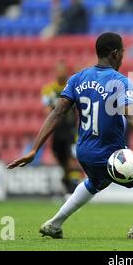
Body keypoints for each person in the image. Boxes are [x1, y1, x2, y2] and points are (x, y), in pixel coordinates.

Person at [8, 32, 133, 240]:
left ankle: (54, 223)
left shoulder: (77, 78)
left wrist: (34, 149)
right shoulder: (120, 82)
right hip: (109, 153)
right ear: (115, 53)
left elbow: (56, 113)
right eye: (122, 52)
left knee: (96, 182)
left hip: (84, 152)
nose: (123, 56)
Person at [41, 61, 78, 194]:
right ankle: (66, 180)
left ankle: (73, 189)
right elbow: (46, 110)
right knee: (60, 159)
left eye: (63, 71)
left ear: (66, 72)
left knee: (72, 158)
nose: (60, 73)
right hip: (57, 131)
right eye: (58, 70)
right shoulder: (48, 90)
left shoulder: (72, 87)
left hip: (71, 130)